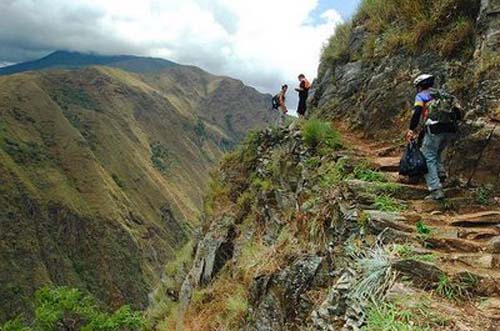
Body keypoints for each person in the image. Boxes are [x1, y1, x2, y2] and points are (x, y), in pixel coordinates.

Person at [406, 74, 462, 200]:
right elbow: (458, 112)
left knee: (427, 156)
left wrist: (411, 129)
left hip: (434, 129)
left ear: (420, 86)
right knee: (437, 153)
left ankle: (435, 189)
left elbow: (417, 113)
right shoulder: (443, 95)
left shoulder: (421, 96)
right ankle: (441, 174)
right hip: (450, 129)